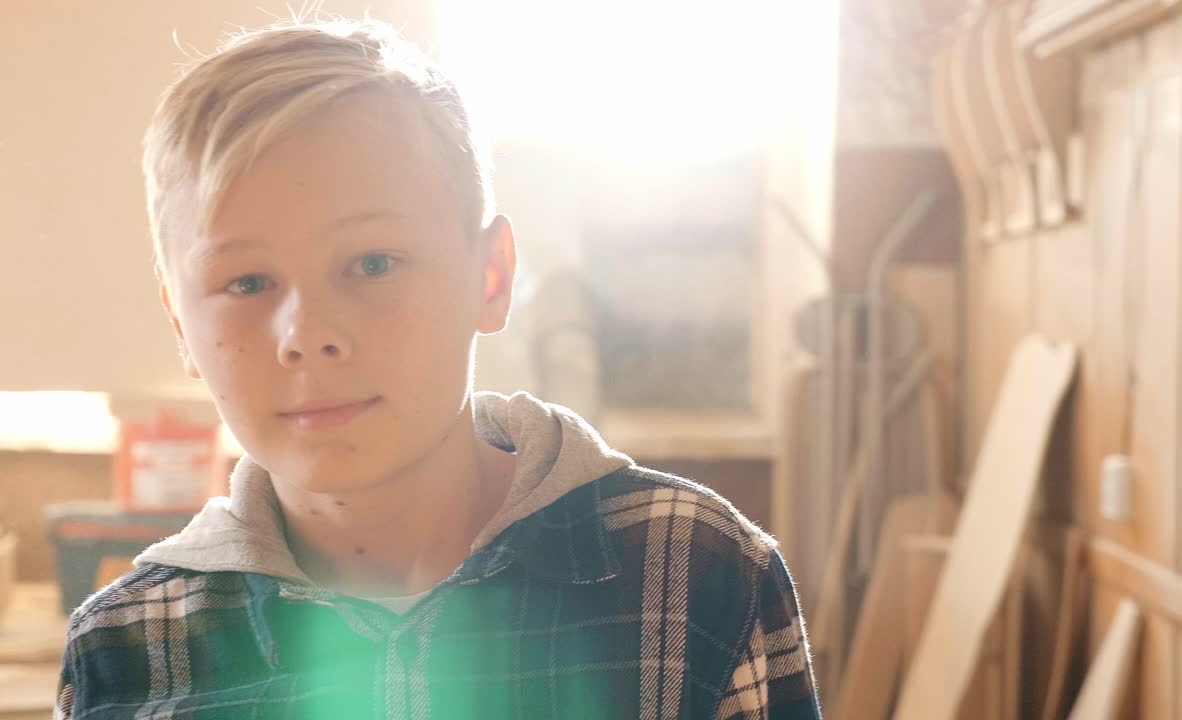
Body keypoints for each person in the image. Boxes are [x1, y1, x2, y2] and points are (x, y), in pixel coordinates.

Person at [55, 16, 822, 720]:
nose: (307, 335)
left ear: (490, 278)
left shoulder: (696, 574)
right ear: (181, 326)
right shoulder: (122, 649)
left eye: (373, 262)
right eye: (246, 283)